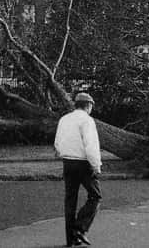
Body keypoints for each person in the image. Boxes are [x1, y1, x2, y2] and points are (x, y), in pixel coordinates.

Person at [54, 92, 102, 247]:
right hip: (83, 163)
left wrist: (64, 153)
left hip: (67, 162)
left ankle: (70, 239)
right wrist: (96, 165)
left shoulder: (64, 119)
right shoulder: (87, 121)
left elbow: (57, 143)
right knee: (95, 196)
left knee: (70, 200)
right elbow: (91, 145)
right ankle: (80, 228)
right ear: (88, 106)